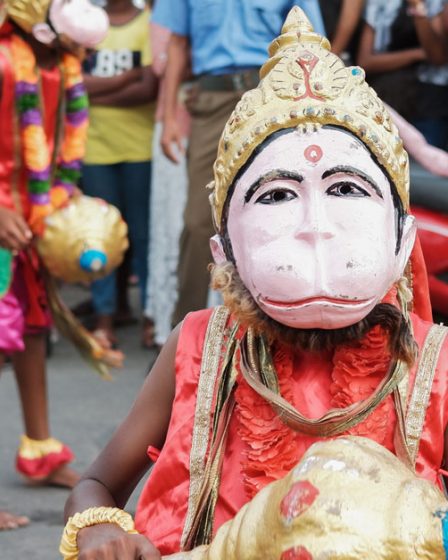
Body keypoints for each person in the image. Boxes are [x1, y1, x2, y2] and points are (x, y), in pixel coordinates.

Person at [61, 7, 448, 558]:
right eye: (276, 196)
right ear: (226, 254)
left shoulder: (435, 368)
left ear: (402, 238)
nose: (315, 225)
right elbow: (95, 485)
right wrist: (101, 527)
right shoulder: (198, 346)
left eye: (345, 189)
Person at [0, 0, 109, 530]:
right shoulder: (2, 57)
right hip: (2, 214)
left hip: (32, 217)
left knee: (36, 333)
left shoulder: (64, 64)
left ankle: (40, 449)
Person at [153, 0, 326, 327]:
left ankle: (277, 329)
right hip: (212, 100)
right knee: (197, 221)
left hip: (274, 96)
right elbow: (177, 45)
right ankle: (183, 337)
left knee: (276, 214)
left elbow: (310, 43)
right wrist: (169, 118)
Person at [82, 0, 158, 351]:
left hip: (139, 148)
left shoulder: (147, 24)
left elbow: (148, 88)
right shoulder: (86, 26)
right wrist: (127, 77)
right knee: (97, 237)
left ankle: (150, 317)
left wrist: (95, 89)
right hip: (94, 150)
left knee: (144, 238)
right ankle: (104, 320)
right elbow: (75, 85)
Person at [143, 13, 190, 350]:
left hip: (216, 118)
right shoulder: (165, 12)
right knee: (172, 229)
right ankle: (167, 327)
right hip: (176, 125)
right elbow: (163, 65)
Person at [357, 0, 448, 149]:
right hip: (387, 97)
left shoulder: (438, 4)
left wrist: (417, 7)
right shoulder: (380, 3)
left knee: (427, 163)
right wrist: (416, 54)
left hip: (430, 101)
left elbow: (437, 56)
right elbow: (365, 61)